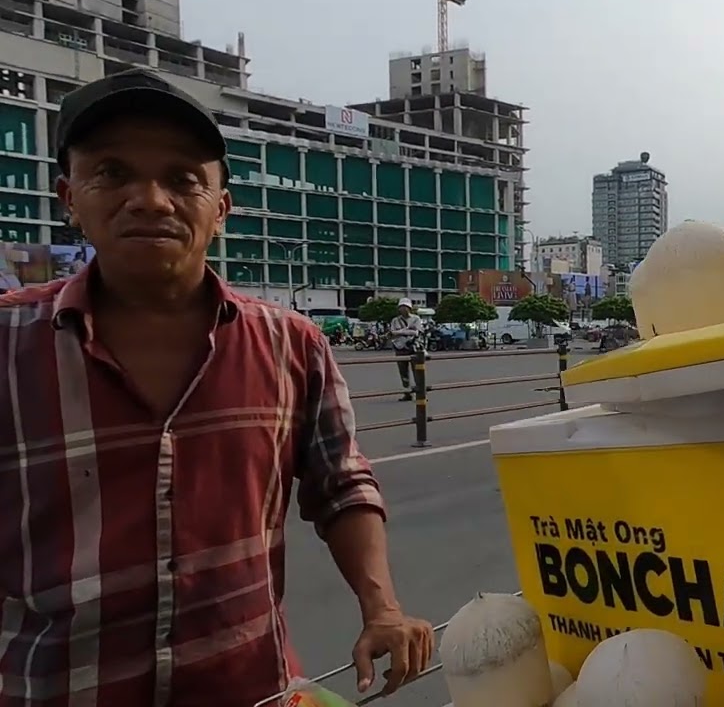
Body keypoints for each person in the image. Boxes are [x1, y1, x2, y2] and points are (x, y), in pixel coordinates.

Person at [0, 68, 433, 707]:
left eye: (183, 179)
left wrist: (383, 607)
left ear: (220, 208)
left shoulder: (293, 345)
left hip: (252, 688)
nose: (150, 199)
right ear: (70, 196)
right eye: (113, 173)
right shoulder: (9, 345)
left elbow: (342, 486)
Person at [388, 298, 423, 400]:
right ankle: (407, 393)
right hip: (400, 348)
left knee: (417, 371)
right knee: (403, 372)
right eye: (401, 307)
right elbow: (392, 333)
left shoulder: (415, 319)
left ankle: (420, 393)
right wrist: (407, 331)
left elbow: (416, 332)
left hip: (413, 347)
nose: (404, 309)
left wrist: (399, 332)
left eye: (406, 307)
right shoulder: (395, 320)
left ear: (410, 308)